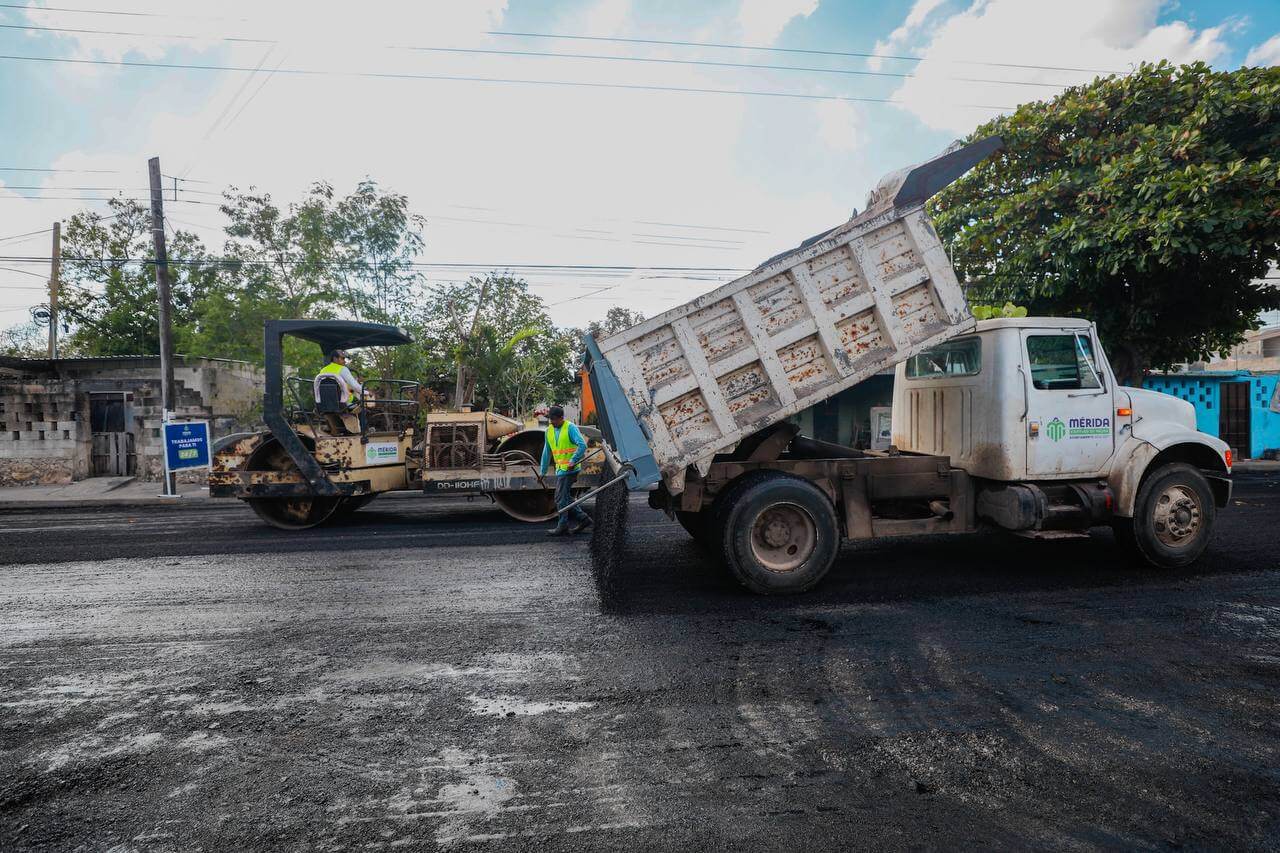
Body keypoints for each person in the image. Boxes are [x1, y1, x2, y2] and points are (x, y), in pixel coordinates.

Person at [541, 404, 592, 536]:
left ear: (561, 418)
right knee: (565, 497)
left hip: (570, 469)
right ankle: (583, 518)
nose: (552, 422)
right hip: (560, 469)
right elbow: (547, 452)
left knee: (559, 497)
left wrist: (573, 460)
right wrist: (543, 471)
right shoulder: (549, 431)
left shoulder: (570, 427)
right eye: (550, 420)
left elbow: (582, 445)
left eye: (555, 420)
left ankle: (562, 525)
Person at [314, 349, 367, 433]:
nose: (344, 361)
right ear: (335, 358)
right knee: (363, 406)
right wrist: (367, 392)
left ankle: (338, 428)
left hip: (326, 404)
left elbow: (337, 386)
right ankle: (363, 433)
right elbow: (355, 387)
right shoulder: (343, 369)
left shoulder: (323, 371)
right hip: (343, 404)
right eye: (342, 358)